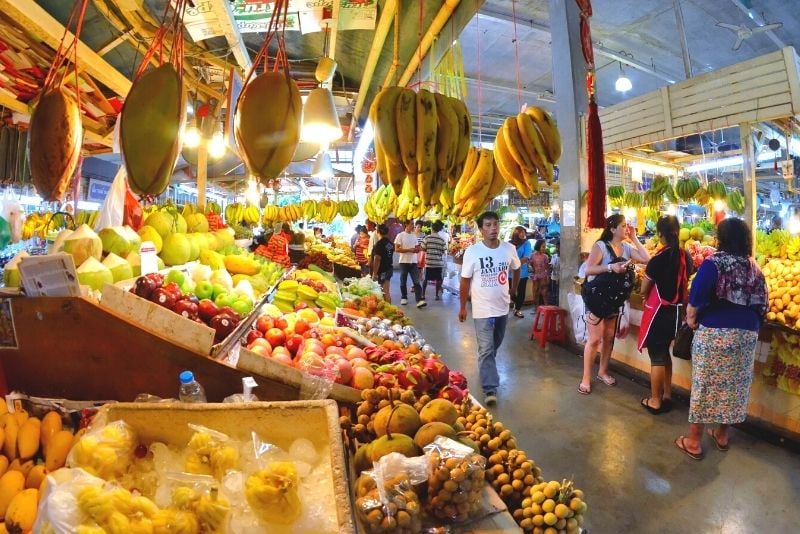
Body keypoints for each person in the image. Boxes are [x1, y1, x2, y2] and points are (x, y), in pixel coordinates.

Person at [675, 218, 768, 460]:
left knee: (705, 384)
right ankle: (722, 435)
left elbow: (695, 299)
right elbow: (763, 304)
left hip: (716, 331)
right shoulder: (754, 267)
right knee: (733, 385)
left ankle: (694, 442)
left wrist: (693, 320)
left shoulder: (714, 263)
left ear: (721, 238)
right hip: (747, 335)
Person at [579, 214, 650, 394]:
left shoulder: (626, 248)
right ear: (612, 229)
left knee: (609, 337)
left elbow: (646, 258)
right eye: (623, 226)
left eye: (627, 226)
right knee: (594, 339)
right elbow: (588, 269)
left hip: (614, 299)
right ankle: (586, 377)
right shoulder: (601, 246)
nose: (626, 228)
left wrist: (634, 237)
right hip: (596, 299)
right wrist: (611, 267)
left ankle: (602, 372)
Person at [459, 211, 521, 406]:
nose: (493, 228)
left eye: (495, 224)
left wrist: (514, 288)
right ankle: (490, 388)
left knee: (495, 344)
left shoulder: (509, 248)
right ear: (481, 229)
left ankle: (486, 367)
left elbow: (517, 268)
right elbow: (465, 280)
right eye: (488, 225)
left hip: (502, 306)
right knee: (486, 348)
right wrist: (462, 306)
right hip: (482, 307)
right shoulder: (473, 252)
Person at [637, 216, 693, 414]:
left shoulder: (658, 259)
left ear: (660, 234)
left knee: (657, 357)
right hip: (677, 313)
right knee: (665, 354)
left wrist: (645, 294)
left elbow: (644, 287)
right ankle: (667, 395)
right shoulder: (685, 256)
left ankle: (655, 400)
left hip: (659, 314)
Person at [395, 221, 426, 308]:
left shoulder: (414, 236)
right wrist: (409, 250)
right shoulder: (400, 235)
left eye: (413, 224)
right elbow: (397, 249)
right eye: (411, 224)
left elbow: (416, 248)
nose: (413, 226)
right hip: (404, 262)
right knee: (403, 281)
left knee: (416, 281)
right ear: (406, 225)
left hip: (413, 262)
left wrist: (418, 249)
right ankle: (404, 297)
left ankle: (419, 300)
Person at [510, 226, 532, 318]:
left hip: (522, 272)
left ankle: (518, 309)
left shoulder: (527, 243)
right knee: (509, 291)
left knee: (521, 292)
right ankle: (516, 302)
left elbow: (526, 258)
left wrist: (515, 265)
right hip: (509, 273)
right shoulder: (509, 244)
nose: (523, 234)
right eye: (521, 232)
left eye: (524, 232)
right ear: (515, 233)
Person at [422, 221, 447, 300]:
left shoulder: (427, 238)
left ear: (432, 229)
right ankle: (436, 295)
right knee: (438, 279)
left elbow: (423, 248)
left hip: (429, 262)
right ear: (438, 230)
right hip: (438, 263)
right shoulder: (442, 240)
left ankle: (423, 295)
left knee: (426, 279)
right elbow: (444, 251)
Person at [371, 224, 395, 303]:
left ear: (377, 231)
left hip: (382, 271)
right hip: (389, 268)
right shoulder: (389, 244)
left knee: (381, 292)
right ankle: (389, 308)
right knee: (386, 291)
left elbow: (377, 259)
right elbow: (388, 254)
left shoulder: (379, 244)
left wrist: (374, 273)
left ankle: (386, 309)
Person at [530, 240, 551, 309]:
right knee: (536, 292)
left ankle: (546, 307)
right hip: (536, 276)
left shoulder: (545, 256)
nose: (544, 248)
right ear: (538, 246)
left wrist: (547, 277)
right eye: (543, 247)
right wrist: (533, 273)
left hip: (543, 276)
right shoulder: (532, 256)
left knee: (544, 293)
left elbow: (547, 268)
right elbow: (531, 266)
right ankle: (537, 308)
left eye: (544, 247)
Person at [549, 241, 560, 305]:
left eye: (559, 247)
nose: (557, 249)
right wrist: (550, 267)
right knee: (554, 292)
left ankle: (558, 305)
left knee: (558, 293)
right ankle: (554, 305)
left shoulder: (564, 257)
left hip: (560, 278)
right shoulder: (554, 256)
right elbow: (551, 265)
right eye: (556, 247)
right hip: (553, 277)